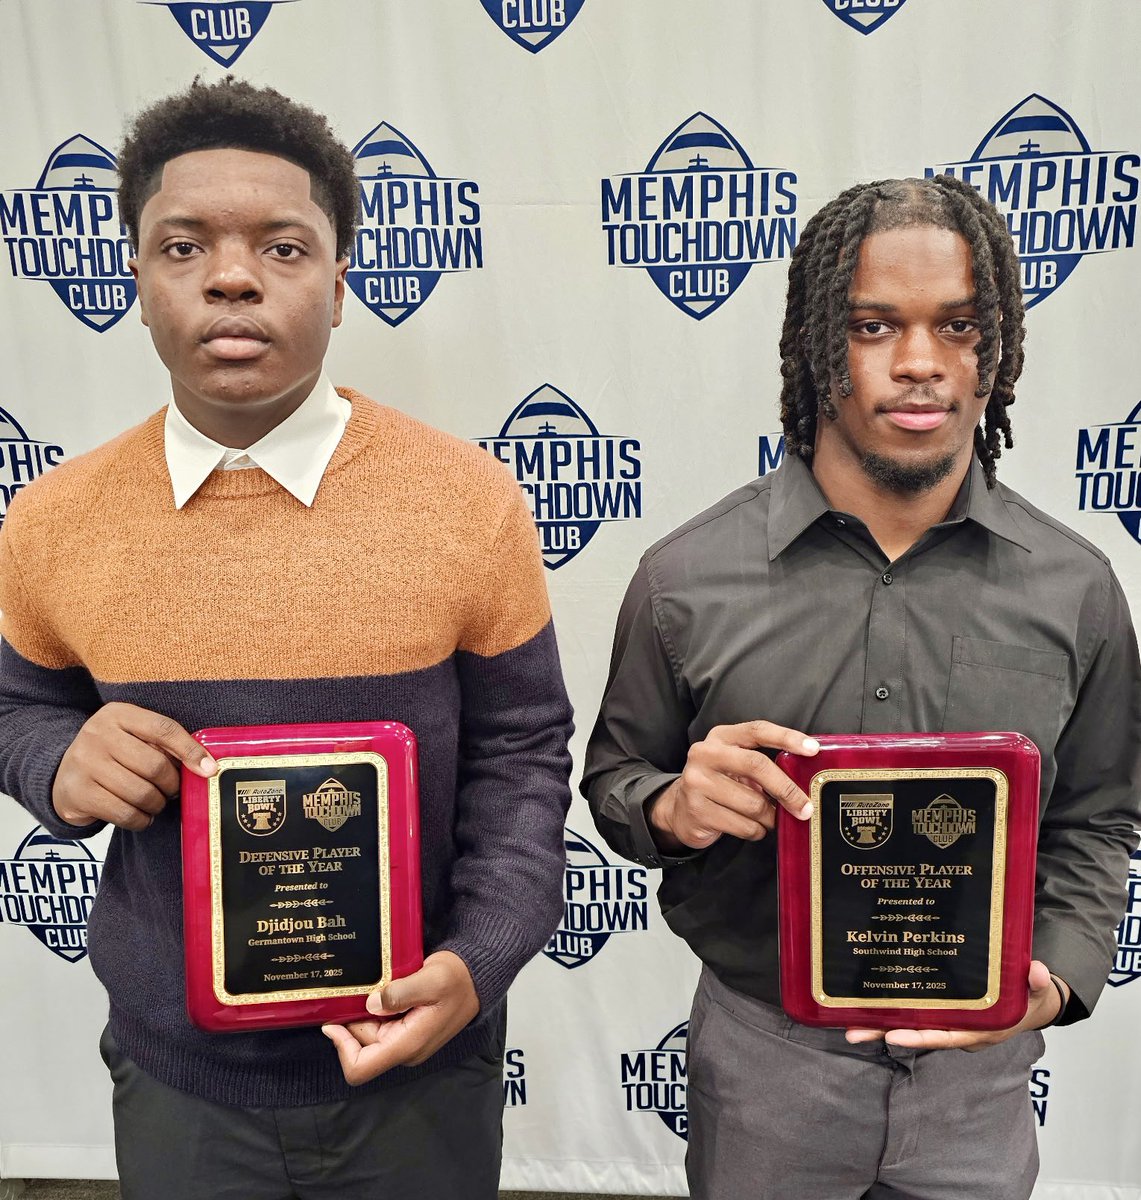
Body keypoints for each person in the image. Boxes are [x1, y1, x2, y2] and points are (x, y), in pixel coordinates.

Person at [0, 78, 573, 1199]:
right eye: (183, 245)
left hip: (420, 1067)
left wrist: (478, 961)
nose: (230, 275)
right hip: (181, 1088)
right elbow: (15, 706)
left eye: (282, 246)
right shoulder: (51, 522)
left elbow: (524, 754)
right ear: (134, 277)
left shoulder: (469, 501)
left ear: (342, 279)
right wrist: (56, 762)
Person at [582, 175, 1141, 1200]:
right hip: (766, 1069)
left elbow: (1100, 819)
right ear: (812, 344)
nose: (920, 363)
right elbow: (616, 781)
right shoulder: (683, 578)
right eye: (873, 326)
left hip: (978, 1079)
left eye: (958, 327)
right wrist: (671, 804)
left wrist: (1054, 979)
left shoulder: (1077, 590)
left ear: (997, 350)